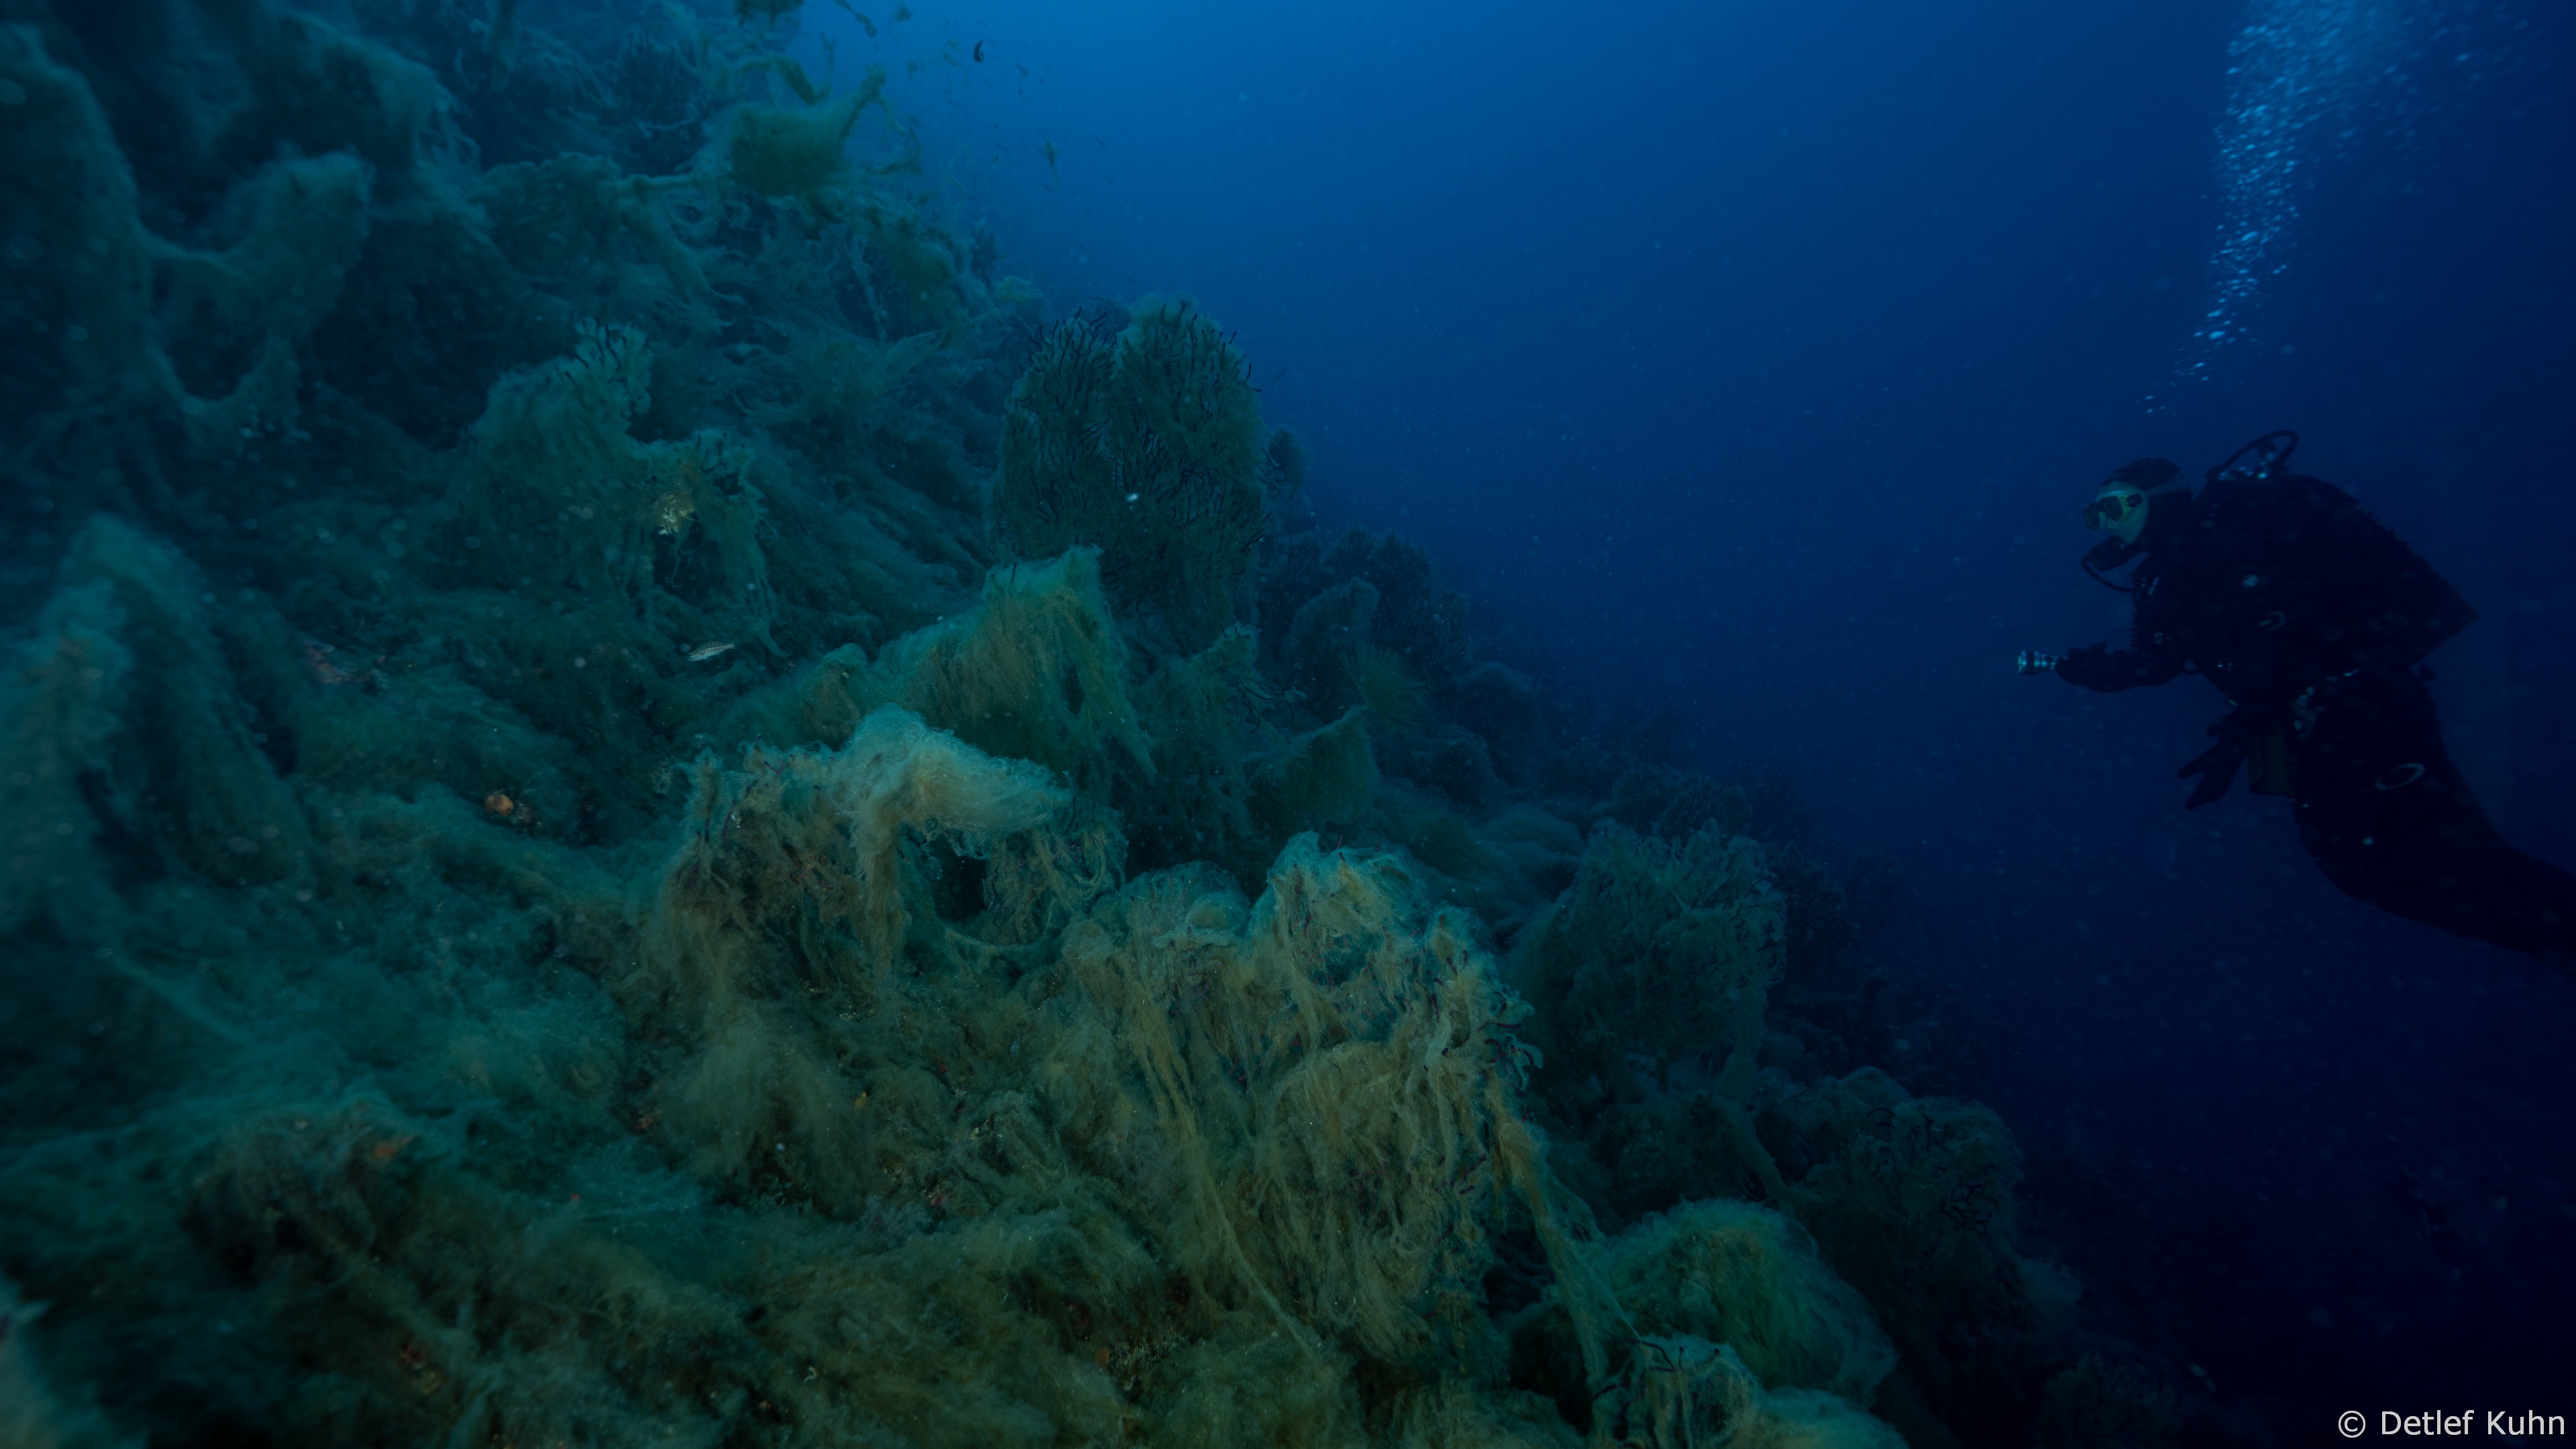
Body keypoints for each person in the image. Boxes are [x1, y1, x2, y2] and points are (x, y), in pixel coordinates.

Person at [2019, 431, 2576, 963]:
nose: (2106, 526)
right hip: (2304, 733)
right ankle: (2549, 940)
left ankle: (2554, 930)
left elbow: (2312, 625)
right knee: (2355, 869)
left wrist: (2321, 687)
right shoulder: (2160, 583)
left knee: (2459, 854)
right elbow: (2154, 664)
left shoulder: (2243, 528)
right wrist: (2079, 668)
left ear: (2160, 499)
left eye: (2116, 507)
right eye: (2097, 516)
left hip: (2369, 707)